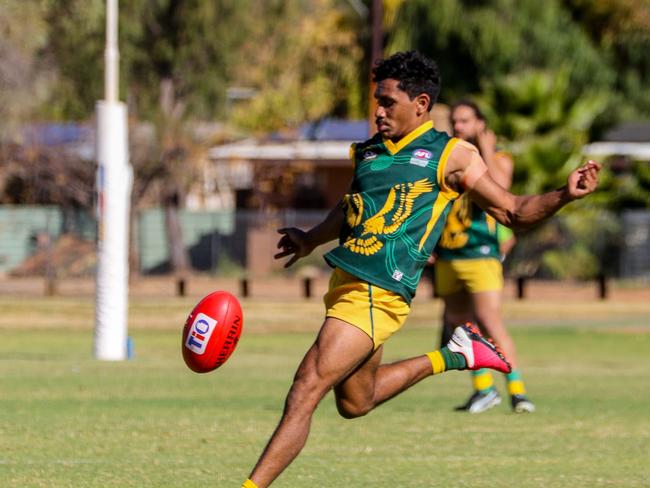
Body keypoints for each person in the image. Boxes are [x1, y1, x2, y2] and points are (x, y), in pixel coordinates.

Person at [241, 51, 600, 488]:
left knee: (304, 390)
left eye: (388, 102)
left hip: (379, 291)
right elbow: (354, 206)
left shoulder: (452, 156)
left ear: (422, 104)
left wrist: (565, 192)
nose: (378, 111)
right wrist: (312, 237)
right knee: (355, 402)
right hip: (346, 285)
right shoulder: (369, 150)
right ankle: (456, 354)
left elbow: (512, 211)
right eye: (377, 100)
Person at [434, 99, 534, 414]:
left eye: (465, 121)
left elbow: (501, 189)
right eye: (455, 121)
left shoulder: (498, 157)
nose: (459, 126)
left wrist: (486, 148)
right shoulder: (449, 158)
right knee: (460, 326)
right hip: (449, 256)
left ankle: (518, 392)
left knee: (490, 322)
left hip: (481, 256)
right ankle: (483, 390)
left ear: (480, 123)